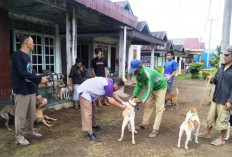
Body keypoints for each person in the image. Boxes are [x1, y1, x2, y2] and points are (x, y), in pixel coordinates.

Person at [11, 34, 48, 146]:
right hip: (21, 90)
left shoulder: (28, 56)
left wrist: (39, 81)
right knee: (21, 115)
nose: (34, 44)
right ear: (27, 43)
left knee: (31, 114)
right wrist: (39, 78)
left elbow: (29, 73)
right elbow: (22, 73)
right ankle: (19, 137)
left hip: (30, 89)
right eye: (32, 41)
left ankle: (30, 131)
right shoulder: (18, 55)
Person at [199, 45, 232, 146]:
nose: (225, 57)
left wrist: (230, 101)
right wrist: (213, 79)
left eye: (227, 55)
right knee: (211, 117)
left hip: (225, 100)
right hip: (216, 97)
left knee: (223, 119)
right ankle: (207, 133)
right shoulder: (222, 67)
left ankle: (221, 139)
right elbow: (217, 81)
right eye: (224, 55)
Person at [78, 77, 126, 142]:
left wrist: (122, 102)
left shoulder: (111, 83)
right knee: (88, 112)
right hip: (84, 91)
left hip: (90, 92)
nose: (117, 90)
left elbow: (113, 94)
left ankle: (93, 125)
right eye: (118, 88)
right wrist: (121, 106)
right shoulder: (109, 85)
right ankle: (89, 133)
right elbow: (111, 100)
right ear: (115, 84)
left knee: (94, 109)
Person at [129, 59, 167, 138]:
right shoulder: (138, 74)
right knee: (148, 105)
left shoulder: (148, 74)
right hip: (152, 88)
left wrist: (140, 100)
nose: (134, 72)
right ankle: (144, 124)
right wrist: (134, 96)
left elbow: (149, 89)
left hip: (160, 87)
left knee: (159, 108)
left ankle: (155, 129)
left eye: (135, 69)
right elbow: (139, 85)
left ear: (140, 67)